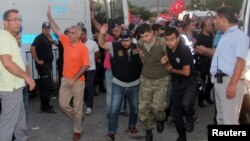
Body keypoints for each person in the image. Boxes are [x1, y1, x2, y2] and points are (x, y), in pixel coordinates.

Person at [47, 6, 90, 140]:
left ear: (78, 35)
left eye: (72, 33)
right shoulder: (65, 41)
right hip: (65, 80)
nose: (69, 34)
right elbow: (57, 29)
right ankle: (78, 119)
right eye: (69, 32)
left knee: (77, 107)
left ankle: (77, 129)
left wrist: (75, 78)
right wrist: (49, 17)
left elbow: (86, 65)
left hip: (78, 81)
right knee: (63, 104)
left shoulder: (83, 48)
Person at [99, 24, 143, 141]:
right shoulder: (115, 46)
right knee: (114, 110)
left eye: (127, 40)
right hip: (118, 84)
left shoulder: (138, 47)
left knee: (134, 109)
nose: (124, 43)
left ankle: (132, 125)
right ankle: (111, 132)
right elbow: (101, 44)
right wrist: (102, 34)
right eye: (123, 40)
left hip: (134, 85)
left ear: (131, 38)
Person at [0, 9, 35, 141]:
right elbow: (7, 63)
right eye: (14, 19)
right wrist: (26, 76)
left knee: (20, 120)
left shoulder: (10, 38)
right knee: (8, 124)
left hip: (16, 87)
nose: (18, 22)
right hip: (11, 88)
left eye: (19, 19)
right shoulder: (4, 37)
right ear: (5, 23)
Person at [210, 7, 249, 124]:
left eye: (215, 18)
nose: (214, 21)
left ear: (223, 19)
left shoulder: (239, 36)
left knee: (230, 121)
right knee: (221, 119)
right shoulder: (225, 36)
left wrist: (232, 85)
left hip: (230, 82)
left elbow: (240, 62)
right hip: (221, 82)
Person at [162, 27, 197, 141]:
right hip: (176, 82)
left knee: (186, 103)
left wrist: (171, 70)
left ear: (177, 38)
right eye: (167, 40)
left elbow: (186, 72)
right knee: (176, 114)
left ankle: (190, 117)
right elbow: (168, 65)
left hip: (189, 81)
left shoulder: (183, 49)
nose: (169, 42)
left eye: (172, 39)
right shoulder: (167, 48)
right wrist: (165, 61)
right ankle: (182, 137)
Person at [137, 23, 170, 141]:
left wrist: (166, 60)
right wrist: (141, 56)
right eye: (142, 36)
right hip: (146, 78)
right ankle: (148, 130)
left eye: (146, 35)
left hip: (161, 79)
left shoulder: (162, 43)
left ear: (152, 32)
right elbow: (142, 58)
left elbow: (171, 59)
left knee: (157, 108)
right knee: (143, 108)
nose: (145, 39)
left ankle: (161, 119)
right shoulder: (140, 43)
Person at [30, 21, 57, 113]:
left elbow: (57, 44)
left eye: (48, 28)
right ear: (42, 29)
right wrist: (37, 60)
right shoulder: (39, 38)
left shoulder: (48, 38)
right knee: (45, 86)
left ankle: (46, 104)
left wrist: (51, 40)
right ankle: (44, 107)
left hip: (47, 65)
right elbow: (32, 48)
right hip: (43, 66)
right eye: (45, 28)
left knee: (47, 85)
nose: (47, 30)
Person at [80, 27, 99, 115]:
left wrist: (93, 63)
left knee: (89, 87)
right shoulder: (78, 44)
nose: (80, 36)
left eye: (82, 34)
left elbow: (97, 54)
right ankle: (85, 102)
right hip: (80, 70)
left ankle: (89, 106)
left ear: (85, 34)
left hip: (91, 69)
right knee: (82, 87)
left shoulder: (93, 43)